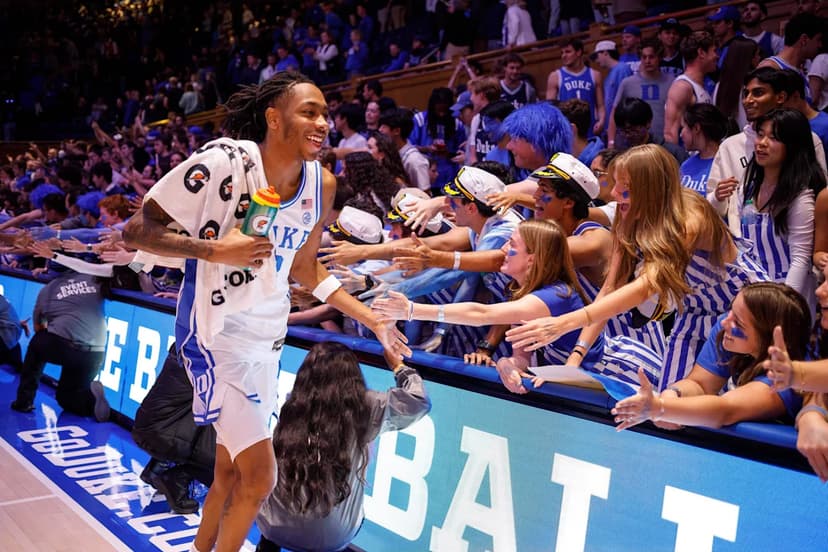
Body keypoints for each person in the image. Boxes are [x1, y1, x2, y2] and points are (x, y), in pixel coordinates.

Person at [122, 72, 408, 552]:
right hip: (216, 336)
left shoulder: (323, 183)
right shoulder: (222, 162)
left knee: (229, 472)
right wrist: (213, 252)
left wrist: (371, 316)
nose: (323, 122)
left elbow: (306, 269)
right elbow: (136, 231)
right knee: (260, 478)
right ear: (274, 118)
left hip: (267, 342)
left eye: (325, 113)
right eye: (309, 112)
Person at [505, 144, 768, 390]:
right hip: (693, 310)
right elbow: (610, 287)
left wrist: (564, 323)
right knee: (669, 405)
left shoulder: (689, 218)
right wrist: (576, 357)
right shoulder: (625, 215)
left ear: (650, 189)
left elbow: (647, 285)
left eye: (625, 187)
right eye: (615, 183)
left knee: (737, 399)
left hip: (743, 306)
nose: (615, 194)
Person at [373, 219, 662, 392]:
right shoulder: (526, 292)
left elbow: (482, 313)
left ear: (532, 259)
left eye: (511, 246)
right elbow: (520, 356)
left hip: (619, 369)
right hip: (586, 376)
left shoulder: (553, 296)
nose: (503, 252)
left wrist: (413, 310)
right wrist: (506, 364)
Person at [256, 342, 430, 552]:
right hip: (330, 538)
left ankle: (266, 546)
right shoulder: (367, 406)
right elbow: (418, 401)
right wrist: (398, 367)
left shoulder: (293, 404)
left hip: (272, 526)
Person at [612, 282, 805, 431]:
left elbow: (725, 410)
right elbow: (700, 385)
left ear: (766, 336)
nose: (725, 322)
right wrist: (672, 394)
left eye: (738, 321)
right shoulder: (726, 328)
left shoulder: (787, 376)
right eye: (730, 312)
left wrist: (660, 408)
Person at [738, 108, 824, 298]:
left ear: (792, 145)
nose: (762, 144)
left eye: (774, 138)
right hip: (753, 294)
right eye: (760, 135)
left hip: (789, 295)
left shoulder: (800, 197)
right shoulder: (747, 189)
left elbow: (800, 261)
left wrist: (783, 306)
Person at [10, 268, 110, 422]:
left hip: (66, 347)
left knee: (37, 343)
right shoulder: (95, 276)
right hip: (96, 353)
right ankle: (91, 401)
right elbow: (129, 274)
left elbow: (39, 328)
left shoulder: (49, 289)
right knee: (66, 399)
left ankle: (24, 401)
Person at [663, 31, 717, 145]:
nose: (717, 56)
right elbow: (670, 134)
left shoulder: (702, 84)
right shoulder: (682, 87)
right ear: (701, 52)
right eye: (714, 51)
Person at [546, 38, 605, 137]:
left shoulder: (595, 75)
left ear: (578, 52)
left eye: (568, 52)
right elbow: (549, 108)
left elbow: (601, 105)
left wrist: (602, 121)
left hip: (590, 128)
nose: (564, 55)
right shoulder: (555, 76)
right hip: (567, 129)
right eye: (562, 52)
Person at [679, 103, 729, 195]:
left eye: (683, 127)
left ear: (696, 128)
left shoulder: (726, 165)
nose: (681, 134)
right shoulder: (686, 165)